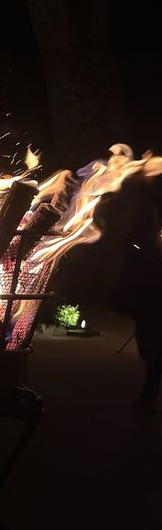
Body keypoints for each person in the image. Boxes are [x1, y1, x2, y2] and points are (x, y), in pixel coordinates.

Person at [109, 174, 162, 415]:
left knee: (152, 345)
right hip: (144, 290)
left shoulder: (146, 212)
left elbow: (145, 240)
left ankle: (148, 395)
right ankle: (148, 394)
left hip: (150, 288)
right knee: (149, 343)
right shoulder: (140, 210)